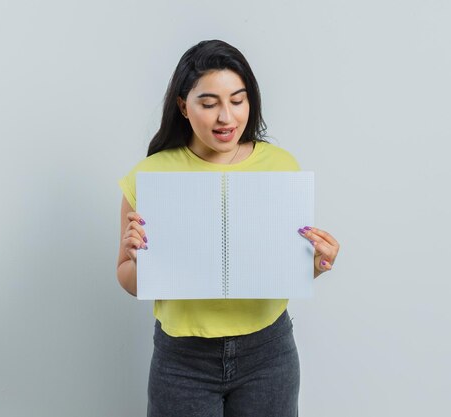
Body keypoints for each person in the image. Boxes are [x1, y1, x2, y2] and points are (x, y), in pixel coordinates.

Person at [116, 39, 340, 417]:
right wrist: (141, 261)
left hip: (268, 353)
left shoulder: (281, 166)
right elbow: (125, 275)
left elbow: (281, 270)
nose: (226, 118)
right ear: (183, 106)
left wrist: (317, 263)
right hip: (182, 360)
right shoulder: (150, 175)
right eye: (209, 104)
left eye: (238, 101)